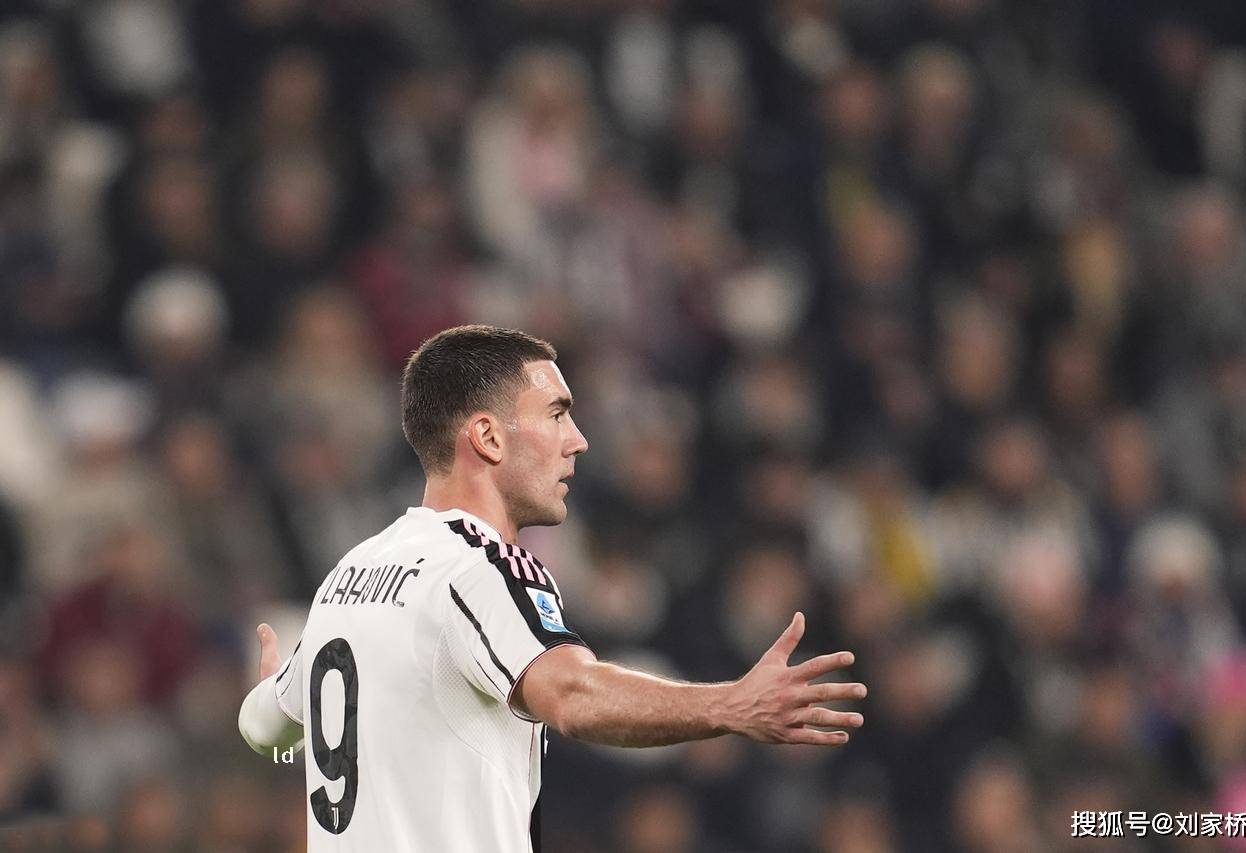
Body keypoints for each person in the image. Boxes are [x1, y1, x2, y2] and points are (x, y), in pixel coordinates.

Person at [238, 324, 867, 851]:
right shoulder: (480, 566)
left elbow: (265, 725)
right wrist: (729, 706)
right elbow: (570, 693)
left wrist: (272, 684)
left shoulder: (346, 579)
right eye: (557, 414)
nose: (578, 441)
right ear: (487, 438)